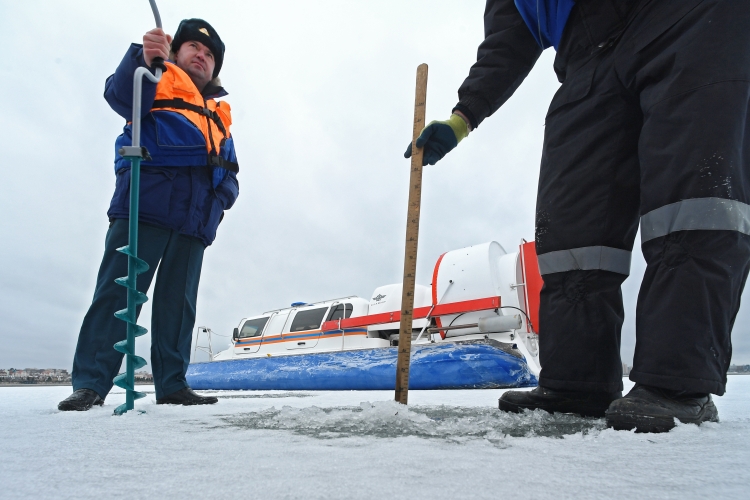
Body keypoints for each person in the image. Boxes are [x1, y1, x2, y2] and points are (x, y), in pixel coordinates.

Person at [406, 0, 750, 432]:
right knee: (574, 237)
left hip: (688, 17)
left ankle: (676, 384)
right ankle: (578, 382)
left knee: (692, 204)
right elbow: (508, 43)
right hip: (583, 54)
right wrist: (463, 116)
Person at [58, 19, 239, 411]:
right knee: (118, 294)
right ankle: (90, 383)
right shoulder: (152, 74)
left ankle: (172, 383)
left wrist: (221, 201)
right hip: (145, 206)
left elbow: (231, 169)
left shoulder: (219, 114)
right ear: (177, 52)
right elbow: (121, 96)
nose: (201, 56)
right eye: (194, 47)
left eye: (209, 55)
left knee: (180, 306)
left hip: (194, 223)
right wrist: (144, 56)